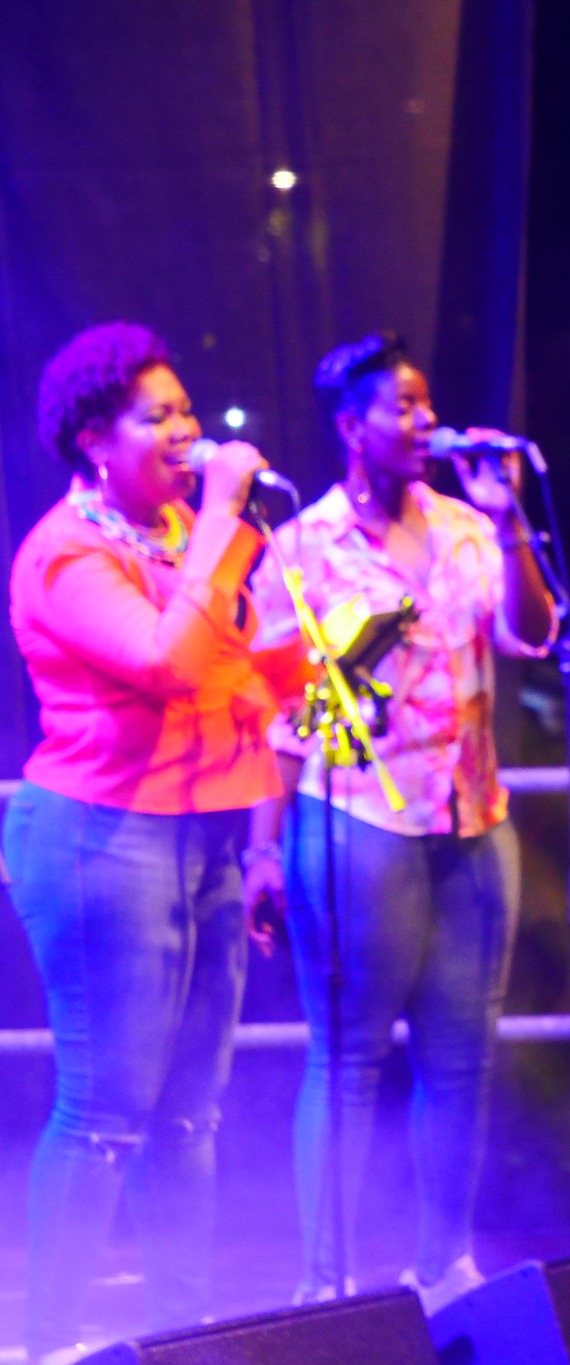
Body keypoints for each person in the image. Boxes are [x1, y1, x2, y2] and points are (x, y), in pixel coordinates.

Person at [5, 322, 298, 1364]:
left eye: (185, 410)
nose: (183, 431)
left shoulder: (187, 536)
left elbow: (232, 678)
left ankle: (184, 1340)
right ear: (94, 439)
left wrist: (321, 656)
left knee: (189, 1115)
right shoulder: (66, 554)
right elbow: (165, 661)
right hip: (101, 839)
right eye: (154, 416)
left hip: (203, 835)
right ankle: (46, 1345)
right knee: (104, 1114)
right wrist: (221, 517)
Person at [245, 332, 556, 1309]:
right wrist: (261, 849)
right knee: (348, 1057)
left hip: (473, 820)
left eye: (427, 404)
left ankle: (444, 1263)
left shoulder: (468, 526)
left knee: (461, 1059)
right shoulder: (302, 547)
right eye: (403, 407)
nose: (425, 421)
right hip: (356, 818)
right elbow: (278, 716)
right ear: (352, 426)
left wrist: (510, 524)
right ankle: (326, 1282)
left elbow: (534, 634)